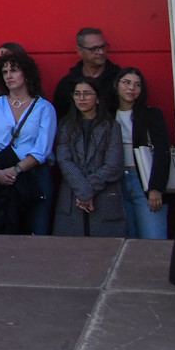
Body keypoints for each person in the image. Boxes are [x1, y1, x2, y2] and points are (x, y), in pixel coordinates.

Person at [0, 50, 56, 236]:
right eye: (5, 72)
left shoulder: (44, 108)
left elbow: (42, 150)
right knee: (1, 233)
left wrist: (16, 170)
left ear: (27, 73)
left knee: (36, 232)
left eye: (14, 70)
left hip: (34, 176)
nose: (9, 76)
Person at [53, 80, 126, 238]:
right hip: (72, 198)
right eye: (77, 94)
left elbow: (114, 165)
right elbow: (64, 161)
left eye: (87, 94)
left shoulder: (112, 127)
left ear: (98, 98)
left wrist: (86, 190)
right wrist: (83, 190)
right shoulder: (65, 126)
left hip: (103, 196)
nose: (81, 98)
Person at [113, 67, 171, 240]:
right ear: (117, 85)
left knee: (153, 239)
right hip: (116, 183)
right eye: (127, 83)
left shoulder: (151, 114)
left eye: (137, 85)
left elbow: (162, 151)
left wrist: (156, 188)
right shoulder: (107, 115)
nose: (131, 88)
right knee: (126, 241)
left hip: (144, 181)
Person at [52, 27, 124, 118]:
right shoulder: (68, 83)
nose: (101, 52)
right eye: (94, 49)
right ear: (80, 51)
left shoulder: (119, 79)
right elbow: (59, 118)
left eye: (103, 47)